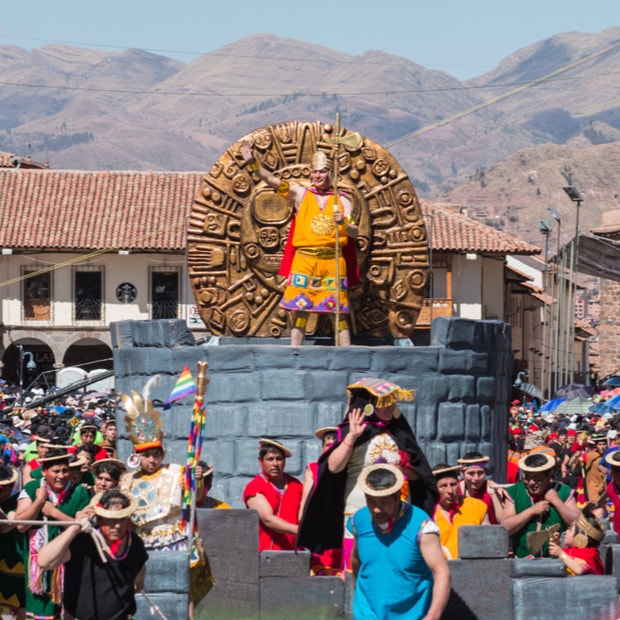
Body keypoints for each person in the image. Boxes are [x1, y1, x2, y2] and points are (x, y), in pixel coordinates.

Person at [297, 377, 437, 570]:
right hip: (359, 510)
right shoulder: (352, 431)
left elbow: (418, 476)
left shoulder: (399, 432)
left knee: (395, 566)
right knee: (359, 567)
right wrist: (352, 437)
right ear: (369, 405)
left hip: (398, 510)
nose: (390, 406)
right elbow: (333, 467)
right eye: (384, 402)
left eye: (392, 402)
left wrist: (404, 468)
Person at [240, 140, 359, 346]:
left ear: (331, 174)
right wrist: (251, 162)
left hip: (332, 264)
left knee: (337, 314)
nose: (317, 176)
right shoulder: (301, 194)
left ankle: (346, 355)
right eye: (315, 172)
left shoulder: (343, 200)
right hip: (305, 261)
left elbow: (355, 232)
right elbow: (270, 179)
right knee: (300, 310)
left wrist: (344, 224)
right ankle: (294, 353)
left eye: (322, 172)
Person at [119, 388, 213, 617]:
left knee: (181, 591)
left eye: (156, 454)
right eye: (146, 455)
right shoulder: (127, 479)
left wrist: (196, 480)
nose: (152, 460)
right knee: (140, 592)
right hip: (140, 541)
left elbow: (196, 496)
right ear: (136, 455)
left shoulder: (177, 472)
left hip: (173, 539)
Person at [349, 463, 450, 620]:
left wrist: (433, 616)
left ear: (397, 497)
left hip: (409, 613)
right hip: (367, 612)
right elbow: (356, 559)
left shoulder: (421, 526)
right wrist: (357, 589)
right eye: (371, 501)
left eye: (383, 501)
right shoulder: (359, 520)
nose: (376, 509)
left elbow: (442, 572)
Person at [37, 488, 148, 619]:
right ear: (100, 519)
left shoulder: (134, 542)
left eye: (122, 519)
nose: (117, 526)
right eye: (111, 520)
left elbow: (139, 580)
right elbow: (44, 562)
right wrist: (75, 527)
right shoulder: (83, 541)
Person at [14, 448, 91, 619]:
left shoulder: (79, 492)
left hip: (70, 563)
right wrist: (40, 501)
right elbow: (20, 525)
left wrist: (54, 513)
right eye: (56, 471)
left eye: (65, 470)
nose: (61, 476)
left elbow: (82, 527)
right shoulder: (32, 488)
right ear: (44, 471)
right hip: (39, 571)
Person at [501, 452, 579, 558]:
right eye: (527, 477)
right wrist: (531, 511)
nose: (531, 483)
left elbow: (579, 524)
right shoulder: (514, 492)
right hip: (522, 561)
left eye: (537, 478)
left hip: (558, 561)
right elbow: (505, 527)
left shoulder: (563, 491)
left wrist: (557, 502)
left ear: (549, 476)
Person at [243, 439, 303, 551]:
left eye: (279, 459)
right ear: (260, 461)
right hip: (264, 555)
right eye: (270, 459)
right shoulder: (254, 487)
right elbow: (268, 520)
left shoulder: (296, 485)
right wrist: (302, 531)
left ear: (284, 461)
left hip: (294, 553)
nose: (275, 464)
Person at [299, 426, 342, 575]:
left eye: (335, 445)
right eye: (327, 445)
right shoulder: (313, 468)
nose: (330, 449)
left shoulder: (349, 469)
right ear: (322, 447)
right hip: (320, 526)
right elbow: (305, 502)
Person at [432, 464, 489, 559]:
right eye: (443, 486)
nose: (450, 490)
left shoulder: (477, 506)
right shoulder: (428, 511)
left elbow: (489, 541)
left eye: (453, 484)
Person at [548, 503, 606, 575]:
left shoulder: (588, 555)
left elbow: (579, 570)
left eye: (570, 529)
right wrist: (556, 545)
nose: (566, 531)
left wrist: (560, 553)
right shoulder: (571, 551)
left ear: (580, 537)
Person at [457, 452, 512, 524]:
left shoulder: (493, 489)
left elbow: (503, 522)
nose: (476, 478)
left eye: (480, 473)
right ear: (462, 473)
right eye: (471, 473)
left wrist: (493, 495)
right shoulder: (455, 490)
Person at [0, 464, 25, 619]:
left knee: (18, 602)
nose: (2, 494)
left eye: (5, 489)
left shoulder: (20, 500)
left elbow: (5, 527)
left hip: (14, 556)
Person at [584, 431, 607, 503]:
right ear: (596, 446)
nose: (602, 447)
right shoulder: (590, 455)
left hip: (605, 487)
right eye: (599, 444)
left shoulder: (608, 455)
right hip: (593, 486)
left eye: (604, 444)